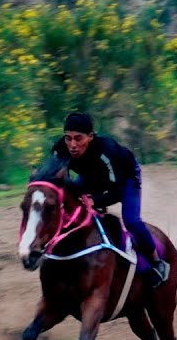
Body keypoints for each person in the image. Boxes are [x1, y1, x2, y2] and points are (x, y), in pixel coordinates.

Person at [34, 112, 169, 287]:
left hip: (125, 178)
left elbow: (116, 191)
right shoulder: (60, 148)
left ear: (90, 137)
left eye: (78, 138)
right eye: (68, 138)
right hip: (90, 176)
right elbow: (58, 181)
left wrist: (95, 201)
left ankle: (157, 262)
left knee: (131, 221)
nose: (72, 145)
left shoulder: (106, 150)